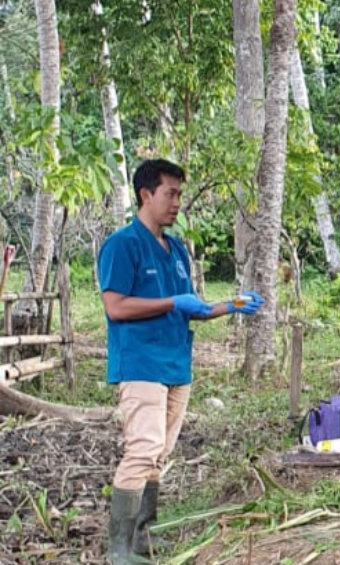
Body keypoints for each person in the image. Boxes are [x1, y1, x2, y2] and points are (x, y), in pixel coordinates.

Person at [98, 159, 264, 564]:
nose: (177, 203)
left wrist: (232, 304)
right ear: (146, 194)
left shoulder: (175, 251)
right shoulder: (123, 245)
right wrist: (171, 302)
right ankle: (118, 551)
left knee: (159, 454)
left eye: (179, 195)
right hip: (141, 363)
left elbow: (195, 308)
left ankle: (143, 538)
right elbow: (115, 306)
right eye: (170, 194)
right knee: (142, 450)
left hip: (176, 365)